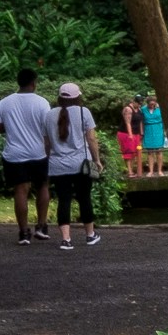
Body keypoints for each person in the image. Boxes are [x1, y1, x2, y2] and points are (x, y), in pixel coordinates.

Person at [0, 68, 58, 244]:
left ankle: (23, 233)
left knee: (20, 190)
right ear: (34, 82)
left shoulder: (5, 102)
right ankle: (41, 226)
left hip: (14, 154)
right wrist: (50, 151)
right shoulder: (42, 102)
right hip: (38, 153)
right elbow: (47, 130)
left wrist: (11, 127)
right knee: (43, 186)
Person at [45, 81, 100, 251]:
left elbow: (46, 142)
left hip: (57, 165)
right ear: (78, 97)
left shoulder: (49, 115)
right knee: (84, 197)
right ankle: (90, 235)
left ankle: (66, 239)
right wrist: (97, 160)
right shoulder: (84, 112)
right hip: (80, 164)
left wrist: (46, 161)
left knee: (64, 200)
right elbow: (91, 139)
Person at [139, 94, 167, 179]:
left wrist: (165, 130)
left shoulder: (159, 108)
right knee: (150, 151)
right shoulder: (143, 109)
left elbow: (165, 119)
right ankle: (151, 171)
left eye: (153, 104)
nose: (152, 105)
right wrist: (141, 131)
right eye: (150, 104)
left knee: (159, 150)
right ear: (147, 103)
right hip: (148, 129)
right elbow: (141, 121)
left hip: (158, 128)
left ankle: (159, 170)